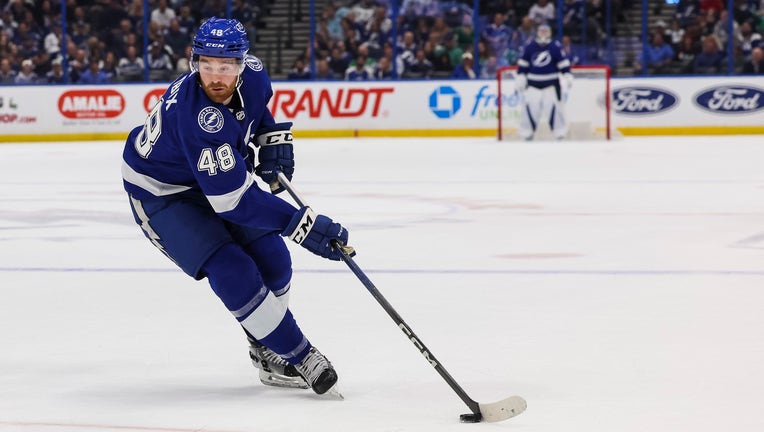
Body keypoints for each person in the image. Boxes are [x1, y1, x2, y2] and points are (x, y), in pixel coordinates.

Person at [120, 17, 353, 396]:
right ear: (193, 61)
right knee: (232, 267)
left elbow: (258, 110)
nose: (215, 76)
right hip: (163, 193)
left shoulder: (257, 76)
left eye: (226, 67)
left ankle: (265, 347)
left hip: (211, 177)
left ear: (243, 64)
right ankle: (298, 354)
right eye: (206, 65)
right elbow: (232, 202)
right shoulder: (198, 119)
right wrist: (301, 224)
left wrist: (270, 137)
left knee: (275, 260)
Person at [515, 24, 572, 140]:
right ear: (537, 32)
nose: (543, 34)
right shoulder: (530, 46)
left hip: (551, 84)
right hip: (532, 84)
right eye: (541, 31)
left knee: (555, 109)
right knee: (530, 109)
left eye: (546, 31)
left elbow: (563, 63)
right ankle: (527, 133)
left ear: (550, 32)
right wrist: (520, 77)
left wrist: (567, 75)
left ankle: (559, 133)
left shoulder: (555, 46)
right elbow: (523, 64)